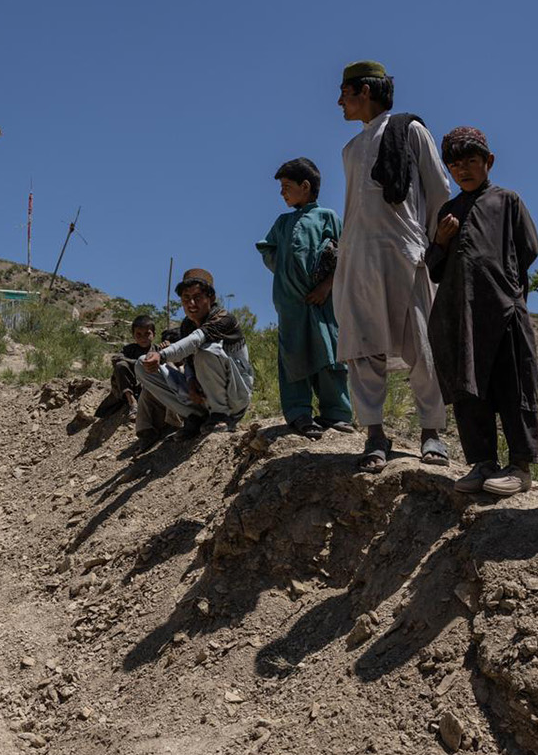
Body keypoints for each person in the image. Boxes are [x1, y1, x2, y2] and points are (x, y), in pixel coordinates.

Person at [332, 61, 454, 473]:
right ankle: (374, 433)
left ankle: (432, 432)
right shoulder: (350, 149)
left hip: (406, 251)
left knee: (422, 344)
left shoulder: (410, 130)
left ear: (364, 91)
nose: (339, 102)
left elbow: (438, 190)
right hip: (358, 256)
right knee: (363, 349)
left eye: (344, 92)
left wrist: (435, 246)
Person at [425, 127, 538, 496]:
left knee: (514, 387)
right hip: (461, 317)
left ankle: (520, 467)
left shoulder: (507, 200)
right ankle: (483, 464)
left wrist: (505, 287)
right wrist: (441, 241)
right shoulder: (449, 210)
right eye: (455, 165)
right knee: (469, 391)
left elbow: (529, 248)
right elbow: (435, 269)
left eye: (471, 162)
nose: (463, 170)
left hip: (504, 311)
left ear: (488, 162)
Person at [256, 156, 353, 438]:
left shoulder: (327, 217)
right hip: (291, 304)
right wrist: (288, 274)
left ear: (306, 186)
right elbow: (268, 250)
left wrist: (326, 285)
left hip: (324, 302)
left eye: (287, 186)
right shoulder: (283, 222)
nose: (282, 192)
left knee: (329, 353)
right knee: (293, 355)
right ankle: (299, 413)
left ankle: (336, 413)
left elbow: (345, 254)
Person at [136, 268, 254, 440]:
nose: (191, 303)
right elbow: (188, 359)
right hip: (203, 395)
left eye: (197, 298)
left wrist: (161, 355)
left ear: (211, 298)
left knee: (206, 351)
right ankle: (195, 417)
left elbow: (195, 341)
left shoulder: (224, 318)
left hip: (234, 397)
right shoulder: (187, 325)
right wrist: (190, 381)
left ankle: (221, 416)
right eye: (186, 298)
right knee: (141, 363)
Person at [96, 315, 156, 418]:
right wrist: (137, 363)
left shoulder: (158, 350)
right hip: (128, 386)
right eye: (139, 334)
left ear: (154, 334)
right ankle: (132, 402)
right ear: (133, 335)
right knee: (121, 365)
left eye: (147, 334)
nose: (143, 338)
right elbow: (116, 359)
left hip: (149, 387)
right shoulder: (129, 349)